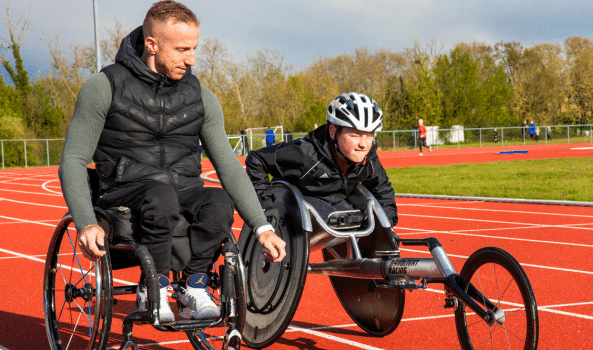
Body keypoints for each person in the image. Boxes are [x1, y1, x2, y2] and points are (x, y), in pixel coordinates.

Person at [58, 0, 285, 324]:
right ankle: (155, 287)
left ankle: (193, 285)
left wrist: (262, 228)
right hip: (126, 191)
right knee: (160, 196)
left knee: (219, 201)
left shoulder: (201, 97)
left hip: (183, 190)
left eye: (193, 48)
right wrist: (84, 222)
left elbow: (229, 166)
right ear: (152, 45)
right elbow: (74, 159)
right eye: (181, 49)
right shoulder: (104, 86)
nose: (191, 59)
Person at [245, 92, 398, 230]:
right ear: (333, 132)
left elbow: (382, 189)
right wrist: (265, 207)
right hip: (294, 200)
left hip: (335, 199)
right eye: (355, 135)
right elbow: (257, 159)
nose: (363, 144)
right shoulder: (305, 153)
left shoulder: (368, 158)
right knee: (338, 218)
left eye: (369, 135)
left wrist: (387, 227)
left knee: (360, 221)